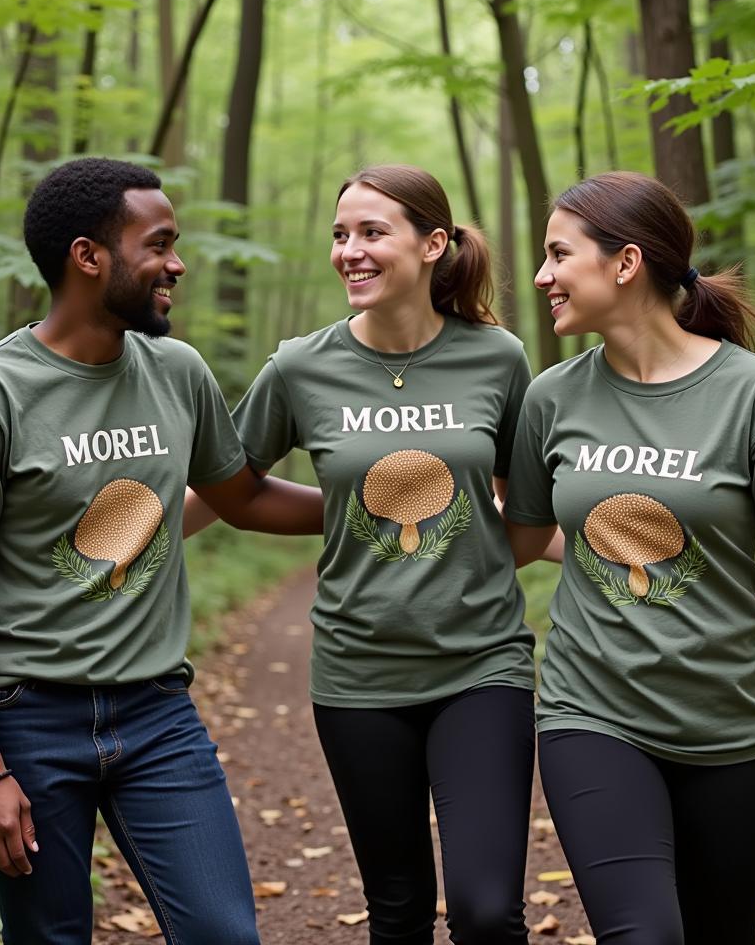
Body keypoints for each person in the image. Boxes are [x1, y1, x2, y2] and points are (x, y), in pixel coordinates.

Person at [0, 158, 322, 945]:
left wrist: (362, 511)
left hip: (158, 713)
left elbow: (243, 498)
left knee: (224, 934)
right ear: (88, 256)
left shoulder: (178, 372)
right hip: (30, 720)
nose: (177, 263)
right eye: (159, 244)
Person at [503, 170, 755, 945]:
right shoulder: (551, 398)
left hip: (735, 727)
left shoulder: (754, 394)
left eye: (557, 254)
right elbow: (524, 532)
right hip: (592, 711)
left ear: (626, 263)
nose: (541, 275)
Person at [221, 164, 539, 945]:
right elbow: (230, 487)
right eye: (339, 235)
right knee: (396, 909)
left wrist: (686, 575)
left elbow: (521, 511)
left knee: (487, 910)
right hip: (358, 674)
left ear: (434, 244)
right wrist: (126, 550)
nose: (349, 252)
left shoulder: (498, 360)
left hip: (482, 665)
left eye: (371, 232)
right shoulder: (300, 366)